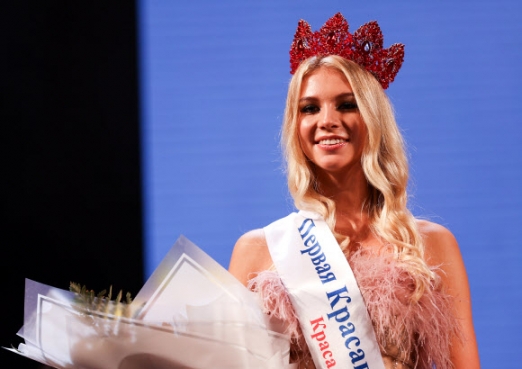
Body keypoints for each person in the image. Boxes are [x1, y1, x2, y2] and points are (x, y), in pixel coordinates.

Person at [228, 13, 480, 369]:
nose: (327, 120)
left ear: (374, 118)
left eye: (346, 105)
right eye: (310, 108)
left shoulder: (432, 245)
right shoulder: (258, 252)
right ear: (295, 125)